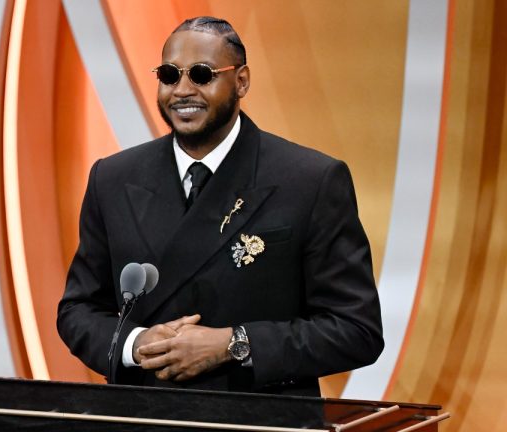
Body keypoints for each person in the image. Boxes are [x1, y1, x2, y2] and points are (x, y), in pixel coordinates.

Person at [56, 16, 383, 396]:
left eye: (201, 74)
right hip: (144, 414)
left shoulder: (311, 180)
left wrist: (235, 344)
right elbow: (78, 311)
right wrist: (136, 344)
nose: (182, 90)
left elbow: (357, 330)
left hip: (259, 419)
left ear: (241, 80)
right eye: (168, 75)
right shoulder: (111, 178)